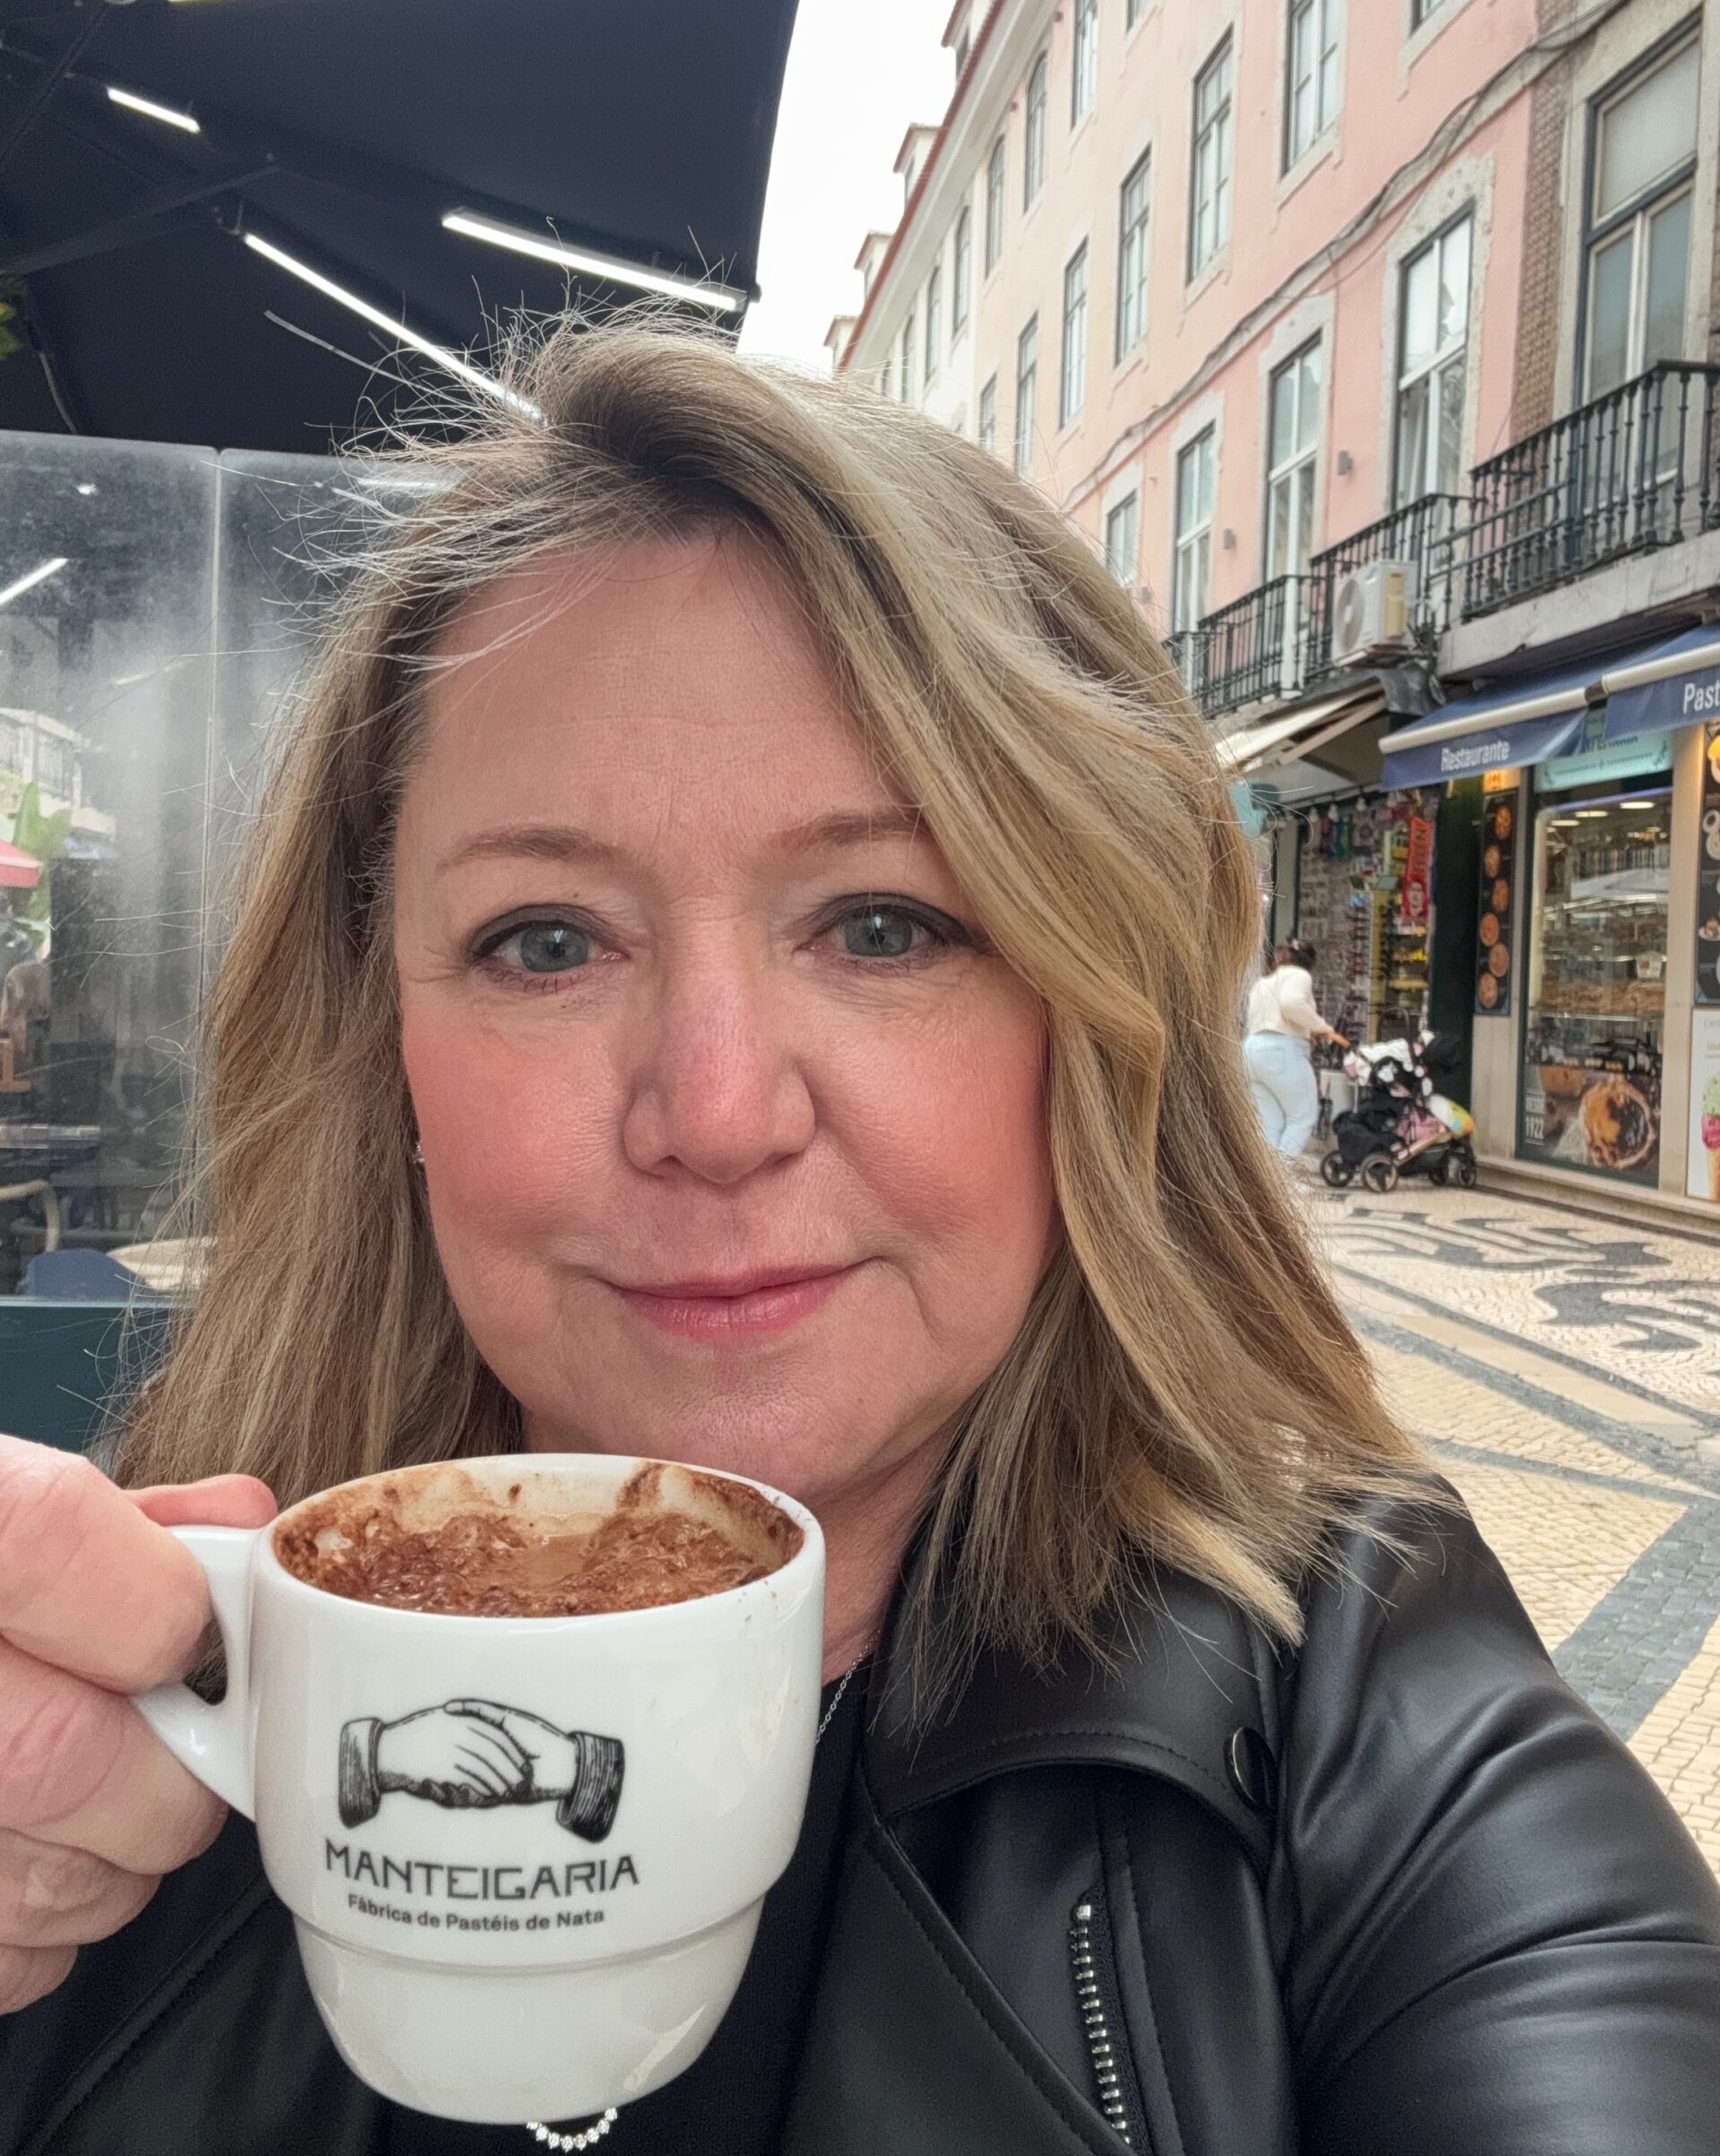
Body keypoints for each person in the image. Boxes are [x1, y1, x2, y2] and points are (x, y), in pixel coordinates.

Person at [0, 322, 1716, 2156]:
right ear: (385, 1042)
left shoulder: (1363, 1722)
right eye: (547, 941)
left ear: (1094, 1026)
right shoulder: (99, 1688)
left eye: (886, 923)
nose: (719, 1110)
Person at [1243, 938, 1341, 1161]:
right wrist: (1321, 1027)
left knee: (1270, 1122)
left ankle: (1267, 1180)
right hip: (1281, 1050)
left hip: (1252, 1049)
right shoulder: (1300, 975)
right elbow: (1291, 1004)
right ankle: (1282, 1178)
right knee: (1303, 1115)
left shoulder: (1264, 981)